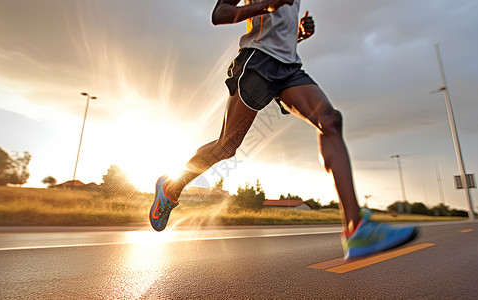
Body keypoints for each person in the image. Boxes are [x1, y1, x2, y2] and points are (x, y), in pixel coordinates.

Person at [149, 0, 418, 260]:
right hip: (257, 61)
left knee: (330, 120)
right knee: (227, 146)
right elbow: (219, 13)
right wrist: (266, 5)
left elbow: (278, 30)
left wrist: (297, 35)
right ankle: (171, 187)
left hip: (288, 68)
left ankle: (356, 229)